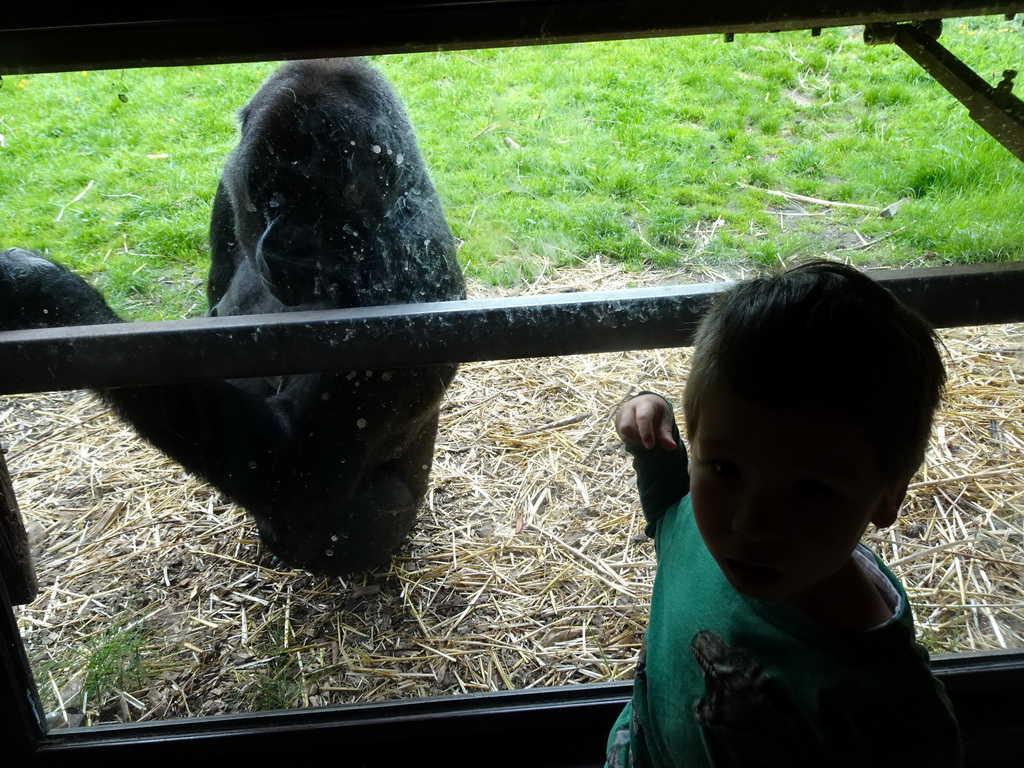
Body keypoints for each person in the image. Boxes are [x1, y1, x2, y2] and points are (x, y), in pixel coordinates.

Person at [605, 260, 962, 767]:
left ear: (888, 496)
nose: (751, 524)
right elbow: (671, 509)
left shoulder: (889, 707)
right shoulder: (694, 524)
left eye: (811, 490)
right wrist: (649, 431)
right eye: (725, 467)